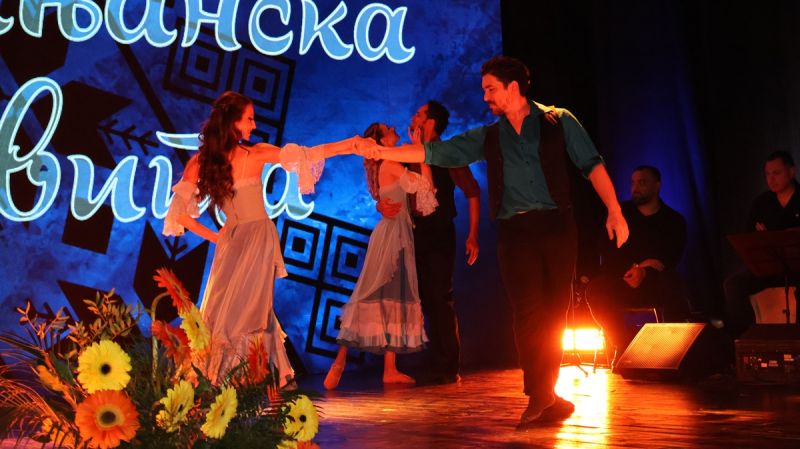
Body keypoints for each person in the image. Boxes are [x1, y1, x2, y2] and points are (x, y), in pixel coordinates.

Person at [361, 56, 629, 426]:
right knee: (528, 310)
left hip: (557, 228)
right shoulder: (489, 135)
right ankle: (538, 394)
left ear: (512, 87)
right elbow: (435, 151)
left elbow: (592, 164)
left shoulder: (558, 120)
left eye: (490, 89)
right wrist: (382, 152)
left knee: (555, 311)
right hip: (515, 232)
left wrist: (614, 209)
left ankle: (548, 393)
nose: (485, 96)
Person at [162, 91, 361, 387]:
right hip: (247, 239)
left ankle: (244, 380)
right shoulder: (237, 157)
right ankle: (230, 382)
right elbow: (179, 214)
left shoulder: (219, 159)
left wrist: (349, 145)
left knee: (243, 311)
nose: (254, 125)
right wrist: (217, 237)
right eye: (249, 119)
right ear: (232, 121)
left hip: (244, 240)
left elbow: (306, 155)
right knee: (230, 311)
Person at [323, 123, 437, 390]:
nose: (393, 127)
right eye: (388, 128)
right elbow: (425, 190)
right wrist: (422, 153)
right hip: (392, 236)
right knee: (372, 293)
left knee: (393, 296)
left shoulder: (388, 164)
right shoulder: (390, 163)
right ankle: (340, 362)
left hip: (395, 232)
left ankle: (388, 368)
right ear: (382, 141)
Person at [375, 100, 481, 384]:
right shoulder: (407, 152)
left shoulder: (449, 154)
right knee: (415, 297)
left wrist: (473, 234)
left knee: (439, 297)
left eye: (419, 114)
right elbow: (385, 184)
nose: (413, 117)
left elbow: (472, 192)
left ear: (430, 122)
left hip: (439, 232)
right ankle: (421, 361)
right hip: (411, 232)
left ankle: (448, 365)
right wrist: (380, 204)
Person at [587, 165, 688, 354]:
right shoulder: (618, 215)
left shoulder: (673, 221)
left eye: (642, 183)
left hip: (655, 281)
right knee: (597, 289)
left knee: (674, 284)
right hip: (622, 278)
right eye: (633, 183)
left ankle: (671, 351)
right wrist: (635, 267)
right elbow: (608, 250)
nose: (635, 188)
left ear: (657, 186)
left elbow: (670, 257)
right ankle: (623, 346)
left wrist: (645, 272)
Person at [722, 151, 800, 337]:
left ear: (791, 172)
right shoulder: (762, 203)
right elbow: (748, 238)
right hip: (769, 268)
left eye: (777, 173)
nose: (771, 179)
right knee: (733, 284)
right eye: (767, 174)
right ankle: (746, 338)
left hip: (797, 266)